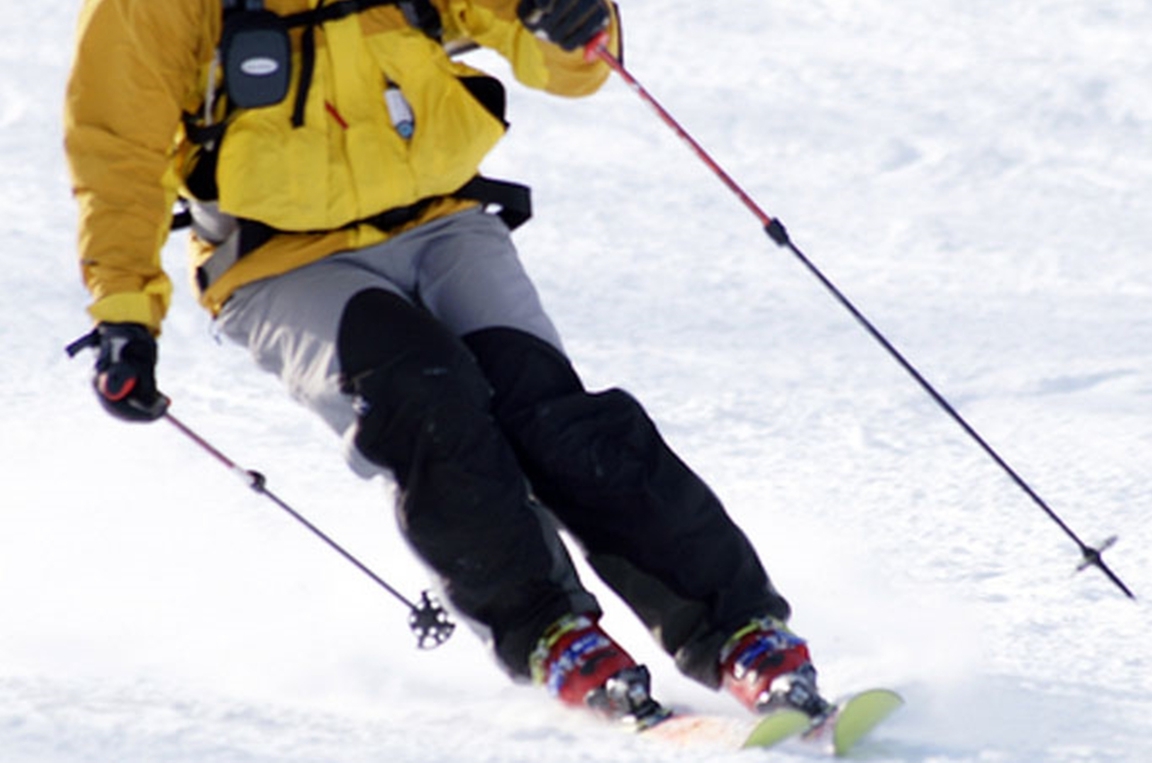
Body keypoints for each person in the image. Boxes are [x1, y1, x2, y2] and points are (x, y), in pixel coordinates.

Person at [64, 0, 827, 721]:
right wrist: (125, 314)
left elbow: (560, 51)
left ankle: (740, 632)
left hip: (441, 220)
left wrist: (574, 23)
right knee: (423, 394)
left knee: (549, 411)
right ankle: (548, 630)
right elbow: (116, 150)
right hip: (279, 260)